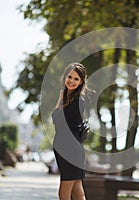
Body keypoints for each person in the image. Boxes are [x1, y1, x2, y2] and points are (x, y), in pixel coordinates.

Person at [52, 62, 88, 200]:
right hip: (64, 149)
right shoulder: (66, 98)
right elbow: (57, 121)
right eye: (69, 76)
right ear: (64, 77)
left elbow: (59, 120)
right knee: (78, 193)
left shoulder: (78, 101)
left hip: (71, 151)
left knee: (64, 193)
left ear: (81, 82)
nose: (71, 81)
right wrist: (61, 97)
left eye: (76, 79)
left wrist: (60, 100)